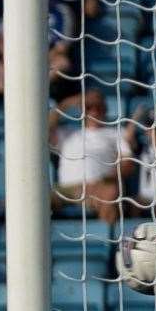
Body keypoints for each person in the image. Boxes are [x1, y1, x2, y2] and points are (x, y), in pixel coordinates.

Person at [53, 89, 131, 223]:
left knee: (111, 192)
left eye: (98, 107)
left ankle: (106, 239)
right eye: (89, 107)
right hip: (65, 190)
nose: (94, 111)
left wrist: (107, 179)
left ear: (105, 109)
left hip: (97, 187)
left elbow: (127, 162)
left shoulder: (117, 133)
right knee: (31, 197)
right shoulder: (66, 133)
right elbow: (41, 129)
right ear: (82, 110)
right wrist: (66, 103)